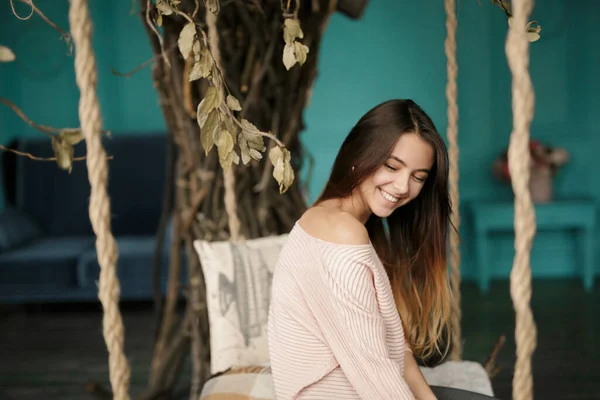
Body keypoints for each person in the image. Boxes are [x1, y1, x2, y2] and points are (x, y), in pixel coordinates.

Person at [267, 99, 454, 400]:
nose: (403, 186)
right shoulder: (342, 232)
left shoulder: (340, 221)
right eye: (392, 166)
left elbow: (394, 348)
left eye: (418, 177)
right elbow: (373, 369)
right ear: (360, 155)